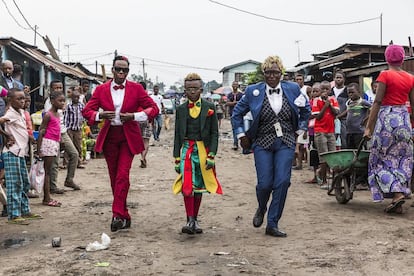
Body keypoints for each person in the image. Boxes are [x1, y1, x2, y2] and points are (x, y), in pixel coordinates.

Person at [231, 55, 310, 238]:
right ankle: (261, 207)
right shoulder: (253, 91)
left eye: (275, 72)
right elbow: (236, 114)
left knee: (282, 181)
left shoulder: (292, 88)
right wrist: (241, 134)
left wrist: (301, 130)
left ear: (281, 73)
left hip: (286, 141)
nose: (272, 76)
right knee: (265, 183)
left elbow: (305, 109)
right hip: (262, 142)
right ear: (264, 74)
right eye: (268, 73)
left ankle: (272, 223)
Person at [82, 55, 159, 232]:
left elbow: (154, 109)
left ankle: (116, 215)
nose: (122, 72)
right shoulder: (101, 90)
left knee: (122, 175)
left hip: (128, 137)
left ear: (128, 72)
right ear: (113, 70)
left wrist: (134, 116)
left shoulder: (137, 88)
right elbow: (87, 111)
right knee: (114, 177)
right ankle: (124, 215)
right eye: (118, 69)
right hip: (109, 136)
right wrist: (101, 115)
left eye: (125, 70)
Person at [363, 44, 414, 214]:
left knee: (379, 159)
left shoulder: (385, 75)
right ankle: (397, 195)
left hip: (387, 120)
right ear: (402, 59)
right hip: (404, 120)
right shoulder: (410, 77)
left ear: (386, 58)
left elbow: (377, 102)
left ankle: (397, 193)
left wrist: (369, 128)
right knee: (403, 158)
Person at [173, 73, 222, 235]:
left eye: (195, 88)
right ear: (184, 91)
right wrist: (176, 157)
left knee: (199, 185)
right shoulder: (180, 110)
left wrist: (212, 155)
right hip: (187, 149)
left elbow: (215, 133)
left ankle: (194, 218)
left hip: (202, 150)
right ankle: (190, 219)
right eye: (189, 89)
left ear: (201, 89)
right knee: (188, 184)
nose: (192, 92)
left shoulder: (210, 107)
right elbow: (177, 134)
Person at [1, 88, 41, 224]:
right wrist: (6, 135)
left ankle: (25, 210)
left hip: (20, 152)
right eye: (19, 99)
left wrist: (30, 137)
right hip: (12, 152)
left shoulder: (22, 113)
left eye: (23, 98)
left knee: (24, 183)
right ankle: (13, 215)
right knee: (14, 184)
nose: (22, 101)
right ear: (10, 100)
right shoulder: (10, 113)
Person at [44, 80, 81, 193]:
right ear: (51, 89)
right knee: (55, 161)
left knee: (74, 154)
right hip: (54, 134)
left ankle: (69, 180)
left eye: (60, 87)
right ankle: (53, 186)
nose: (59, 89)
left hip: (63, 131)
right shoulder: (49, 103)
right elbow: (49, 122)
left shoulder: (62, 101)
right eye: (56, 88)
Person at [38, 90, 66, 207]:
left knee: (49, 171)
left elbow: (56, 129)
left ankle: (47, 197)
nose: (63, 103)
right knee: (47, 172)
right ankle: (46, 198)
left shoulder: (58, 114)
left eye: (63, 101)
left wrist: (60, 140)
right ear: (52, 101)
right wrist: (39, 150)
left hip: (54, 142)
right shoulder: (48, 115)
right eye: (60, 101)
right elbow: (41, 132)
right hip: (48, 143)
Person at [313, 81, 339, 189]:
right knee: (323, 157)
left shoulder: (333, 99)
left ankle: (333, 182)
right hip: (320, 131)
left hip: (330, 131)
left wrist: (329, 104)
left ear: (330, 90)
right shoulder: (316, 101)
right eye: (322, 89)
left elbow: (336, 113)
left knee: (333, 156)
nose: (324, 91)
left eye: (327, 89)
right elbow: (317, 117)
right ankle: (323, 180)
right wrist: (325, 106)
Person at [344, 83, 371, 149]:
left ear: (358, 92)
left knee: (359, 150)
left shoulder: (363, 102)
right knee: (350, 150)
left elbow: (373, 109)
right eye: (349, 93)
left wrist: (367, 119)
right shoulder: (348, 103)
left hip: (359, 132)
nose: (350, 94)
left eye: (352, 92)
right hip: (349, 131)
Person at [64, 88, 85, 169]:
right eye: (74, 97)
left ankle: (79, 162)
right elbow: (66, 117)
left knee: (78, 146)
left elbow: (84, 115)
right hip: (70, 129)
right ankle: (65, 163)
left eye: (77, 97)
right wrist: (66, 127)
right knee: (68, 146)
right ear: (71, 98)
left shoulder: (81, 106)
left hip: (78, 129)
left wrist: (83, 122)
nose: (76, 99)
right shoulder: (68, 106)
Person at [329, 70, 348, 149]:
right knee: (332, 140)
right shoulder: (330, 91)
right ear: (334, 79)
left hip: (344, 120)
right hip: (331, 120)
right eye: (337, 77)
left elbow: (350, 107)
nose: (338, 79)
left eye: (340, 77)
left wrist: (339, 116)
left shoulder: (347, 91)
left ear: (344, 79)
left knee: (344, 140)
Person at [138, 81, 152, 168]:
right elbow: (152, 109)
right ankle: (143, 157)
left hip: (137, 119)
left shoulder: (134, 96)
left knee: (140, 141)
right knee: (146, 140)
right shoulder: (148, 97)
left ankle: (142, 157)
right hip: (146, 119)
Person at [226, 81, 243, 150]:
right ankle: (235, 143)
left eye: (236, 84)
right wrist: (234, 103)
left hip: (240, 114)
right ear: (232, 86)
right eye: (233, 84)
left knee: (241, 128)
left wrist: (234, 103)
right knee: (234, 128)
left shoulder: (241, 94)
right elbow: (227, 103)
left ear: (238, 86)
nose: (235, 86)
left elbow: (243, 102)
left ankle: (242, 143)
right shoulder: (230, 95)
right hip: (232, 114)